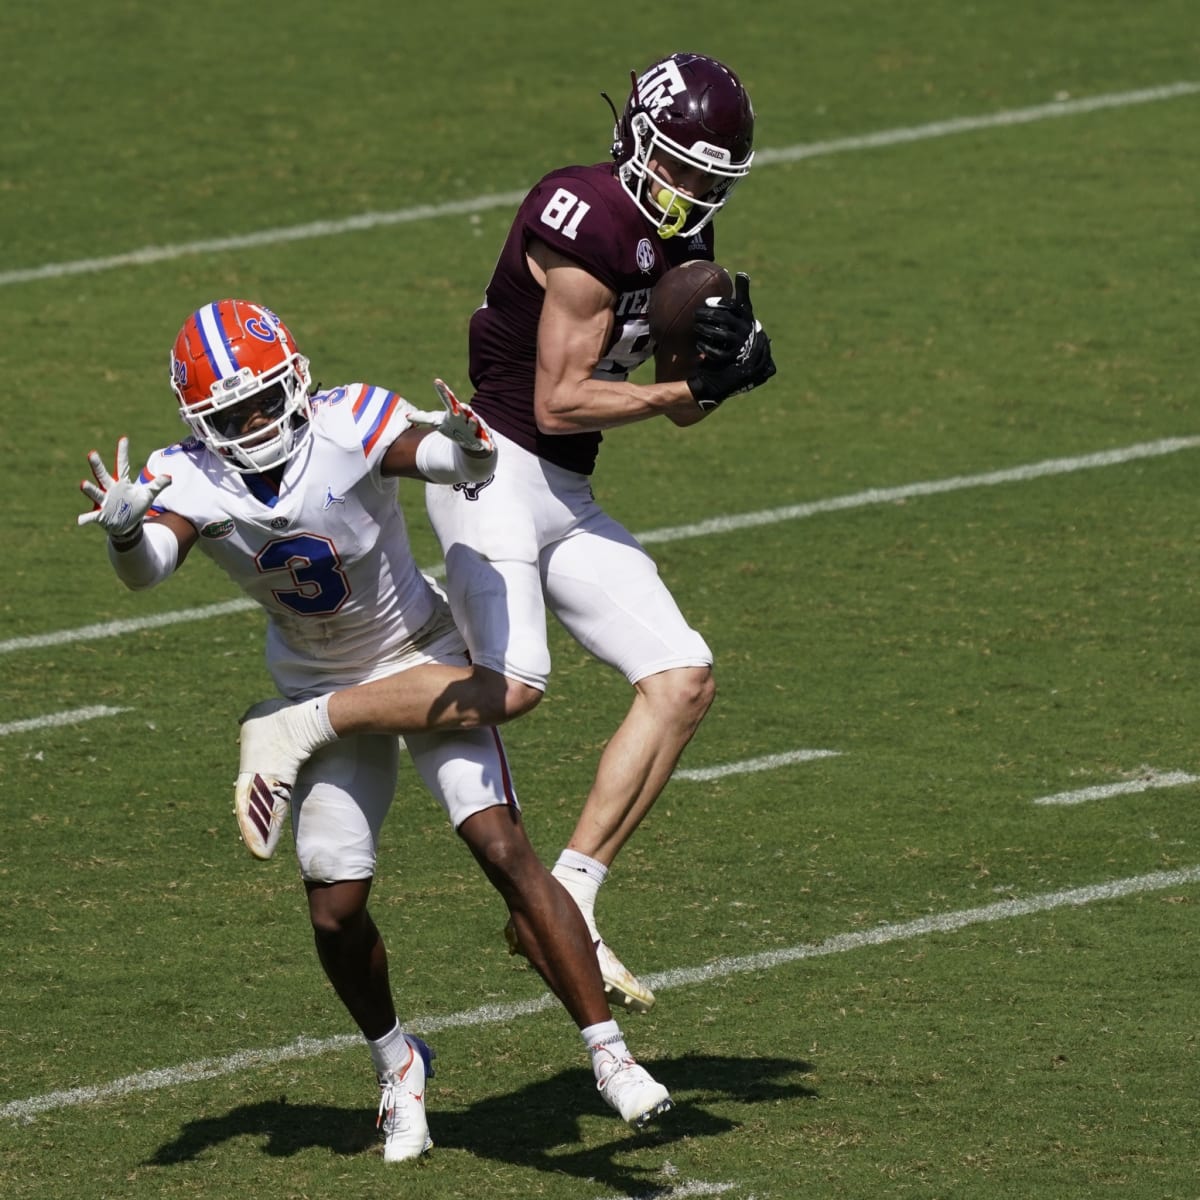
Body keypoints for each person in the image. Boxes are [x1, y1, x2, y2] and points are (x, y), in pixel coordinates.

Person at [230, 52, 776, 1015]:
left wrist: (720, 381)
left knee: (683, 678)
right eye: (679, 167)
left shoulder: (682, 236)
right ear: (635, 137)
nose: (688, 191)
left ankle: (568, 897)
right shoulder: (583, 213)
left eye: (707, 178)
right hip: (493, 468)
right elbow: (560, 399)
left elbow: (674, 409)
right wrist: (679, 389)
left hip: (565, 489)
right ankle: (298, 723)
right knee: (515, 686)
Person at [76, 299, 673, 1163]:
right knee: (334, 906)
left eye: (262, 401)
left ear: (296, 379)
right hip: (316, 676)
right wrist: (129, 534)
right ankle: (398, 1064)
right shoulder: (188, 473)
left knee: (502, 846)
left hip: (415, 652)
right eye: (230, 416)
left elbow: (429, 454)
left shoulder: (348, 417)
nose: (252, 424)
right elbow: (147, 571)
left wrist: (466, 447)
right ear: (199, 423)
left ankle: (609, 1056)